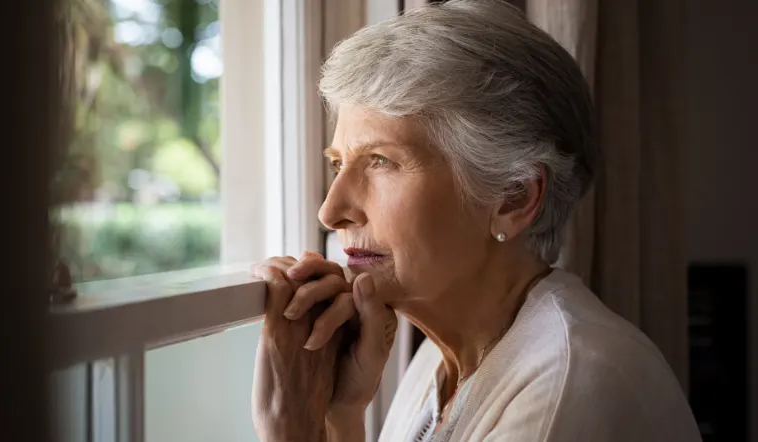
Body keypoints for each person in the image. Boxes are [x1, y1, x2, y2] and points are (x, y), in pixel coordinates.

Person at [250, 1, 701, 441]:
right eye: (337, 164)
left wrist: (292, 433)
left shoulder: (568, 385)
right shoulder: (438, 362)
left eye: (381, 161)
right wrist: (342, 416)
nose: (330, 212)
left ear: (514, 197)